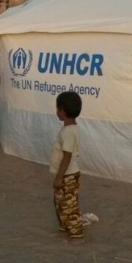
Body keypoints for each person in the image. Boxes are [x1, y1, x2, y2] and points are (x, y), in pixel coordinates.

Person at [51, 91, 84, 240]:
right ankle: (65, 226)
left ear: (63, 111)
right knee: (61, 202)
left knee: (69, 206)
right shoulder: (70, 129)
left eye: (57, 109)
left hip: (67, 175)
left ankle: (77, 233)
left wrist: (59, 177)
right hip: (67, 174)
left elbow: (67, 156)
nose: (56, 111)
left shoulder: (69, 132)